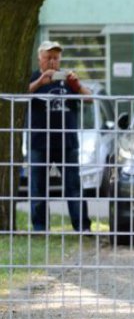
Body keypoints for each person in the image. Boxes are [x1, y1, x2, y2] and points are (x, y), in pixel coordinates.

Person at [26, 40, 92, 233]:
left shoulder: (69, 79)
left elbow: (89, 98)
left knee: (73, 187)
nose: (52, 62)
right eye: (48, 58)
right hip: (39, 141)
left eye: (56, 58)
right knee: (38, 188)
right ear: (40, 58)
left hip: (67, 142)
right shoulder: (33, 77)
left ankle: (82, 227)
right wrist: (40, 82)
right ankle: (40, 228)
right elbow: (20, 95)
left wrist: (77, 85)